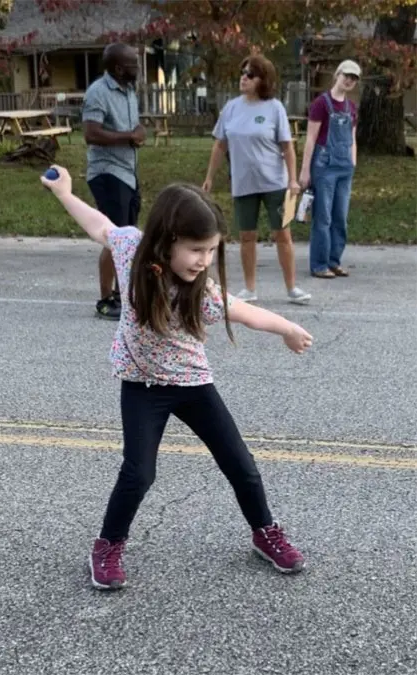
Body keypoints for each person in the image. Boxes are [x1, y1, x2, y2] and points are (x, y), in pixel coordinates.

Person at [41, 165, 314, 591]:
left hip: (192, 384)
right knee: (139, 472)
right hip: (142, 385)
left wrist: (287, 328)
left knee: (240, 463)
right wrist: (64, 194)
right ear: (167, 240)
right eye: (195, 250)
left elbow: (245, 312)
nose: (204, 261)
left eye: (210, 251)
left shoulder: (201, 293)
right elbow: (100, 227)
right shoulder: (132, 250)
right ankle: (108, 544)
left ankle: (265, 532)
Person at [203, 55, 311, 306]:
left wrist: (293, 180)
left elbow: (287, 147)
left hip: (275, 183)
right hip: (243, 183)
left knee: (282, 234)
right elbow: (220, 145)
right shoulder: (231, 108)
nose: (244, 78)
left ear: (263, 79)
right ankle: (250, 288)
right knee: (247, 235)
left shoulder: (274, 108)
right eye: (242, 73)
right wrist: (210, 177)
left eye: (250, 74)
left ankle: (292, 287)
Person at [82, 42, 146, 320]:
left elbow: (132, 129)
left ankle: (123, 296)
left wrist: (137, 133)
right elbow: (91, 133)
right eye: (133, 64)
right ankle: (107, 299)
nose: (137, 68)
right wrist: (128, 137)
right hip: (107, 173)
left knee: (126, 237)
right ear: (119, 68)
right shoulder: (98, 92)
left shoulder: (130, 92)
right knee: (116, 236)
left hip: (128, 172)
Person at [299, 60, 361, 278]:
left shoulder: (351, 107)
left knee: (340, 217)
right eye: (347, 75)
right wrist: (305, 171)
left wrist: (352, 161)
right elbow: (311, 138)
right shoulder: (321, 104)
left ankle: (334, 261)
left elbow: (352, 137)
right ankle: (319, 264)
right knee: (323, 217)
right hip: (324, 167)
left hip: (345, 167)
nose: (349, 80)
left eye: (354, 78)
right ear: (337, 74)